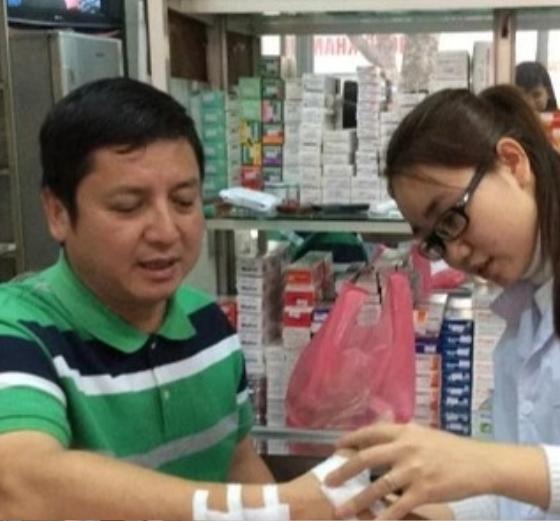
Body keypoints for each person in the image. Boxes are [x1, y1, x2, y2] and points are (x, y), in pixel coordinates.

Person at [324, 86, 560, 520]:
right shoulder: (521, 327)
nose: (456, 253)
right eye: (435, 241)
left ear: (513, 162)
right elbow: (516, 501)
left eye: (451, 218)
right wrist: (403, 510)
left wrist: (486, 464)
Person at [0, 77, 345, 520]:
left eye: (184, 202)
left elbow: (237, 465)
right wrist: (276, 505)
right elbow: (20, 485)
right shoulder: (19, 334)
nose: (166, 232)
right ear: (58, 213)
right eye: (128, 206)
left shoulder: (208, 325)